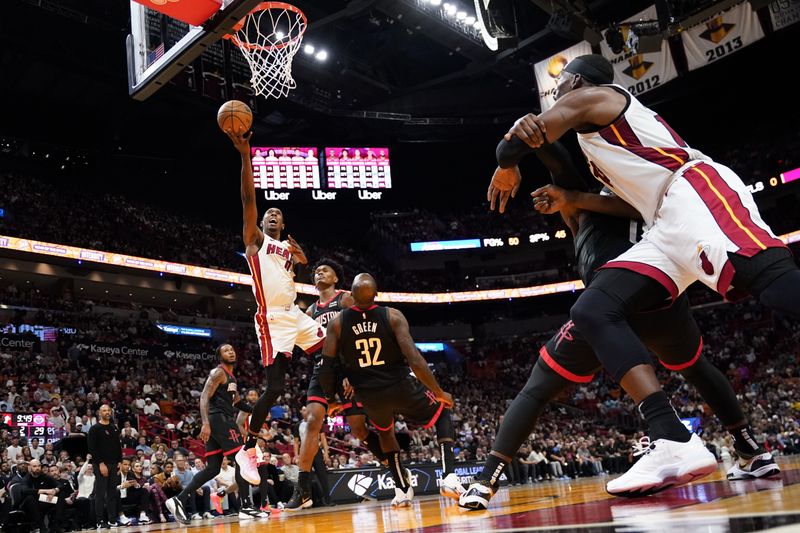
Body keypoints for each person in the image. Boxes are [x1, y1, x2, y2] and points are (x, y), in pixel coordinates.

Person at [489, 52, 796, 496]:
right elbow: (536, 139)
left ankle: (733, 446)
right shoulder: (597, 144)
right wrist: (552, 178)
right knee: (593, 309)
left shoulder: (596, 98)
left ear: (574, 81)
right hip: (661, 223)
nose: (554, 93)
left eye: (559, 86)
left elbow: (522, 138)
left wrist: (506, 159)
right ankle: (671, 437)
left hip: (692, 188)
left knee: (766, 278)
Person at [459, 139, 779, 508]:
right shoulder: (596, 203)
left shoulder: (627, 194)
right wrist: (536, 165)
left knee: (537, 388)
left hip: (615, 301)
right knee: (695, 367)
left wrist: (514, 156)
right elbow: (552, 155)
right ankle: (750, 450)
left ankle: (485, 481)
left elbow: (552, 150)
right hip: (661, 299)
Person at [226, 131, 326, 486]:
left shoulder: (289, 250)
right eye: (267, 212)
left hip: (295, 313)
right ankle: (248, 449)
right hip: (272, 319)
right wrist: (245, 155)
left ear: (283, 224)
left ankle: (342, 394)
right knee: (274, 388)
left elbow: (300, 273)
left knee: (332, 350)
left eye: (276, 214)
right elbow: (247, 196)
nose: (270, 215)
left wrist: (302, 259)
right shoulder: (255, 241)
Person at [318, 273, 464, 507]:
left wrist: (330, 400)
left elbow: (326, 367)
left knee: (386, 434)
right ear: (376, 294)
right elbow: (414, 359)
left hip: (369, 395)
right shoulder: (392, 315)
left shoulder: (338, 323)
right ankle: (449, 477)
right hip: (400, 386)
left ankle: (401, 488)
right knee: (442, 411)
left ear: (351, 296)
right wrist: (437, 391)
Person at [285, 258, 388, 511]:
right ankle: (303, 489)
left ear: (335, 278)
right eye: (316, 271)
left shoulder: (344, 300)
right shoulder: (310, 312)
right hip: (322, 369)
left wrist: (352, 373)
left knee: (359, 429)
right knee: (312, 422)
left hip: (348, 367)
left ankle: (389, 461)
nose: (319, 272)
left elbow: (359, 334)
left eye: (325, 270)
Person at [166, 344, 269, 524]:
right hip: (219, 420)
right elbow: (204, 397)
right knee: (241, 459)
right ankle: (245, 507)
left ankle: (179, 499)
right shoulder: (218, 373)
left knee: (212, 468)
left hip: (220, 421)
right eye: (226, 350)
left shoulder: (231, 377)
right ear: (219, 356)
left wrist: (256, 410)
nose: (231, 351)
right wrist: (205, 423)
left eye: (232, 349)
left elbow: (237, 402)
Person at [87, 404, 122, 528]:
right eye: (104, 410)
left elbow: (118, 446)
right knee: (100, 494)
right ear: (99, 413)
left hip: (114, 464)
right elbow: (92, 448)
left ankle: (112, 519)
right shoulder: (95, 428)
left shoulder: (114, 427)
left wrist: (120, 461)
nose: (107, 412)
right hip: (100, 464)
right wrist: (101, 463)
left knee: (112, 493)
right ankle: (99, 521)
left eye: (108, 410)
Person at [17, 459, 65, 533]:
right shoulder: (26, 478)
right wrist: (45, 491)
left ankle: (55, 524)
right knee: (30, 498)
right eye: (34, 466)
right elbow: (25, 491)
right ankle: (41, 526)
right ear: (29, 467)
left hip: (44, 500)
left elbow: (60, 485)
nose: (37, 468)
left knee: (61, 495)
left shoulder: (45, 476)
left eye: (39, 466)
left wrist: (54, 491)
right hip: (29, 504)